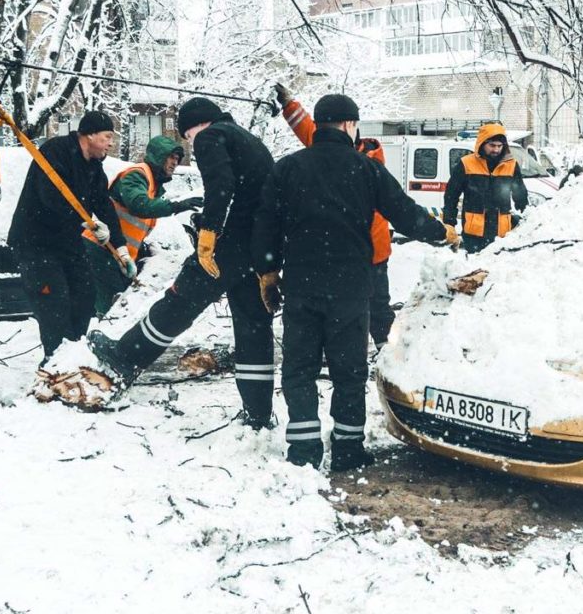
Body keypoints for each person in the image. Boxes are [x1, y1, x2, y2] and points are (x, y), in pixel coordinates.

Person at [252, 93, 460, 471]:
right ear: (350, 125)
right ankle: (348, 450)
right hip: (350, 288)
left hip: (301, 285)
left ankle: (303, 450)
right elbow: (405, 214)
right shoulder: (365, 168)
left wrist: (268, 271)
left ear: (320, 124)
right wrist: (442, 232)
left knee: (299, 368)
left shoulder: (288, 168)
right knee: (349, 371)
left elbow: (265, 220)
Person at [88, 98, 276, 429]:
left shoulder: (211, 135)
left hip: (229, 246)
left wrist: (209, 232)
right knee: (253, 328)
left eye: (187, 137)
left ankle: (125, 358)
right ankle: (258, 415)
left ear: (193, 127)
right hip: (258, 249)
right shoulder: (248, 140)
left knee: (181, 300)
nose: (190, 144)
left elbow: (222, 186)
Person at [274, 83, 395, 350]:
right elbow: (308, 129)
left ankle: (385, 348)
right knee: (349, 307)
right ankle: (346, 350)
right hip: (350, 253)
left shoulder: (370, 163)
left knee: (378, 304)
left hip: (373, 250)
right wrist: (289, 104)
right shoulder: (334, 154)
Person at [7, 111, 133, 363]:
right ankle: (55, 363)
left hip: (66, 241)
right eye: (107, 137)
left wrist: (121, 249)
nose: (111, 143)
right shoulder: (56, 151)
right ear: (88, 135)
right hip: (36, 241)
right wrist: (90, 222)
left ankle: (74, 355)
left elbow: (104, 205)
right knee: (55, 300)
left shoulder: (94, 167)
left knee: (85, 293)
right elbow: (50, 197)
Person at [82, 135, 203, 316]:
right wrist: (176, 206)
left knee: (113, 307)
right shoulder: (136, 175)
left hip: (116, 255)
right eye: (171, 157)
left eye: (177, 159)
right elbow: (139, 205)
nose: (174, 163)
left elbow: (136, 225)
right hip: (101, 249)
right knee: (110, 309)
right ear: (159, 156)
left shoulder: (152, 186)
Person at [442, 122, 529, 253]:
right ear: (482, 143)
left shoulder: (511, 165)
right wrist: (449, 223)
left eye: (500, 146)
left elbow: (520, 194)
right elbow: (451, 195)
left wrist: (527, 218)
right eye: (492, 145)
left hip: (502, 234)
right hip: (474, 234)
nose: (496, 150)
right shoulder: (466, 164)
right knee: (476, 269)